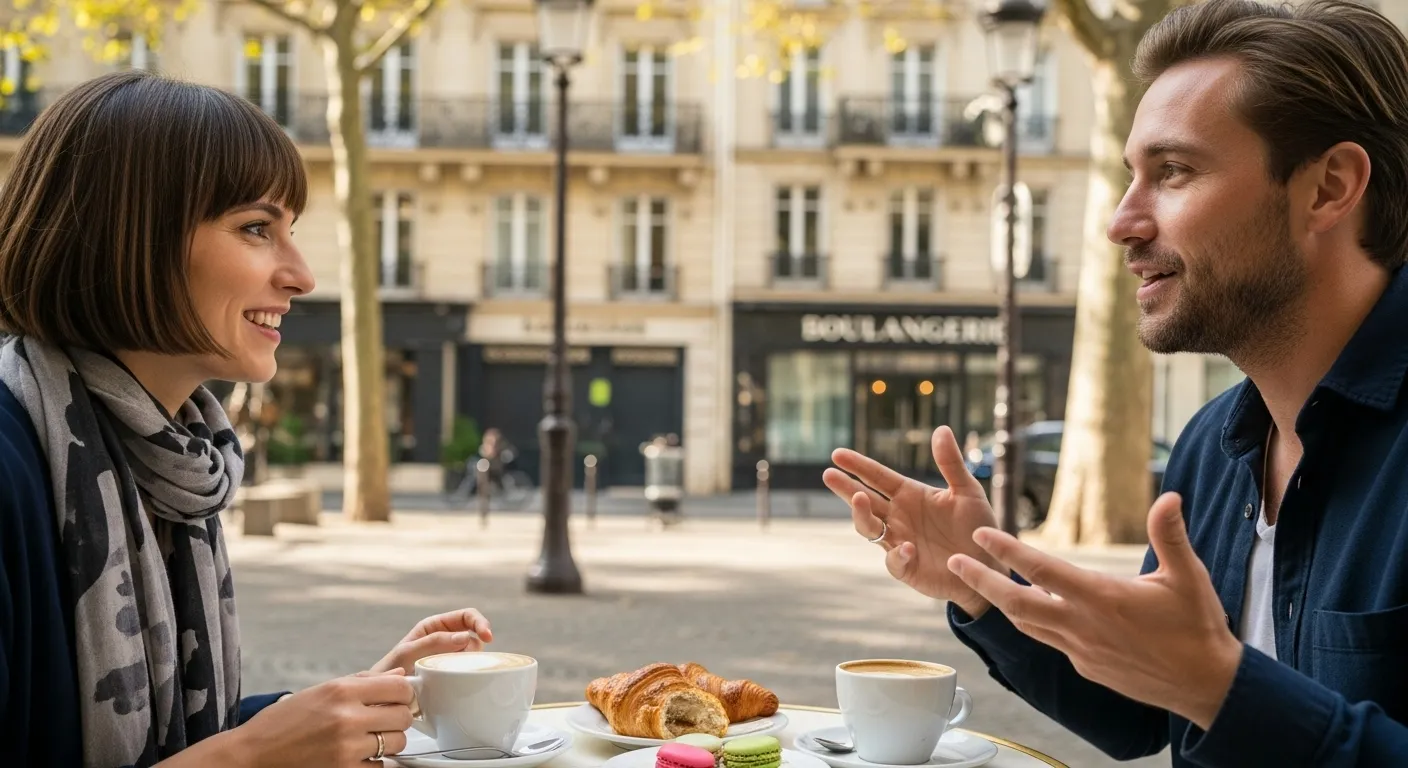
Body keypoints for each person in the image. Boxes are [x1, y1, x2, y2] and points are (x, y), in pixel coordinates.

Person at [824, 0, 1408, 765]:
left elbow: (1206, 690)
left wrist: (1221, 688)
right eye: (1131, 175)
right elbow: (1143, 713)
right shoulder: (1214, 445)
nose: (1122, 222)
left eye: (1173, 172)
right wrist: (985, 583)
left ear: (1329, 187)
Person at [0, 71, 496, 767]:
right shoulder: (12, 462)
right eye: (257, 229)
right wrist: (251, 757)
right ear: (129, 235)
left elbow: (179, 738)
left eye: (290, 231)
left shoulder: (176, 462)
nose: (301, 275)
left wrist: (361, 699)